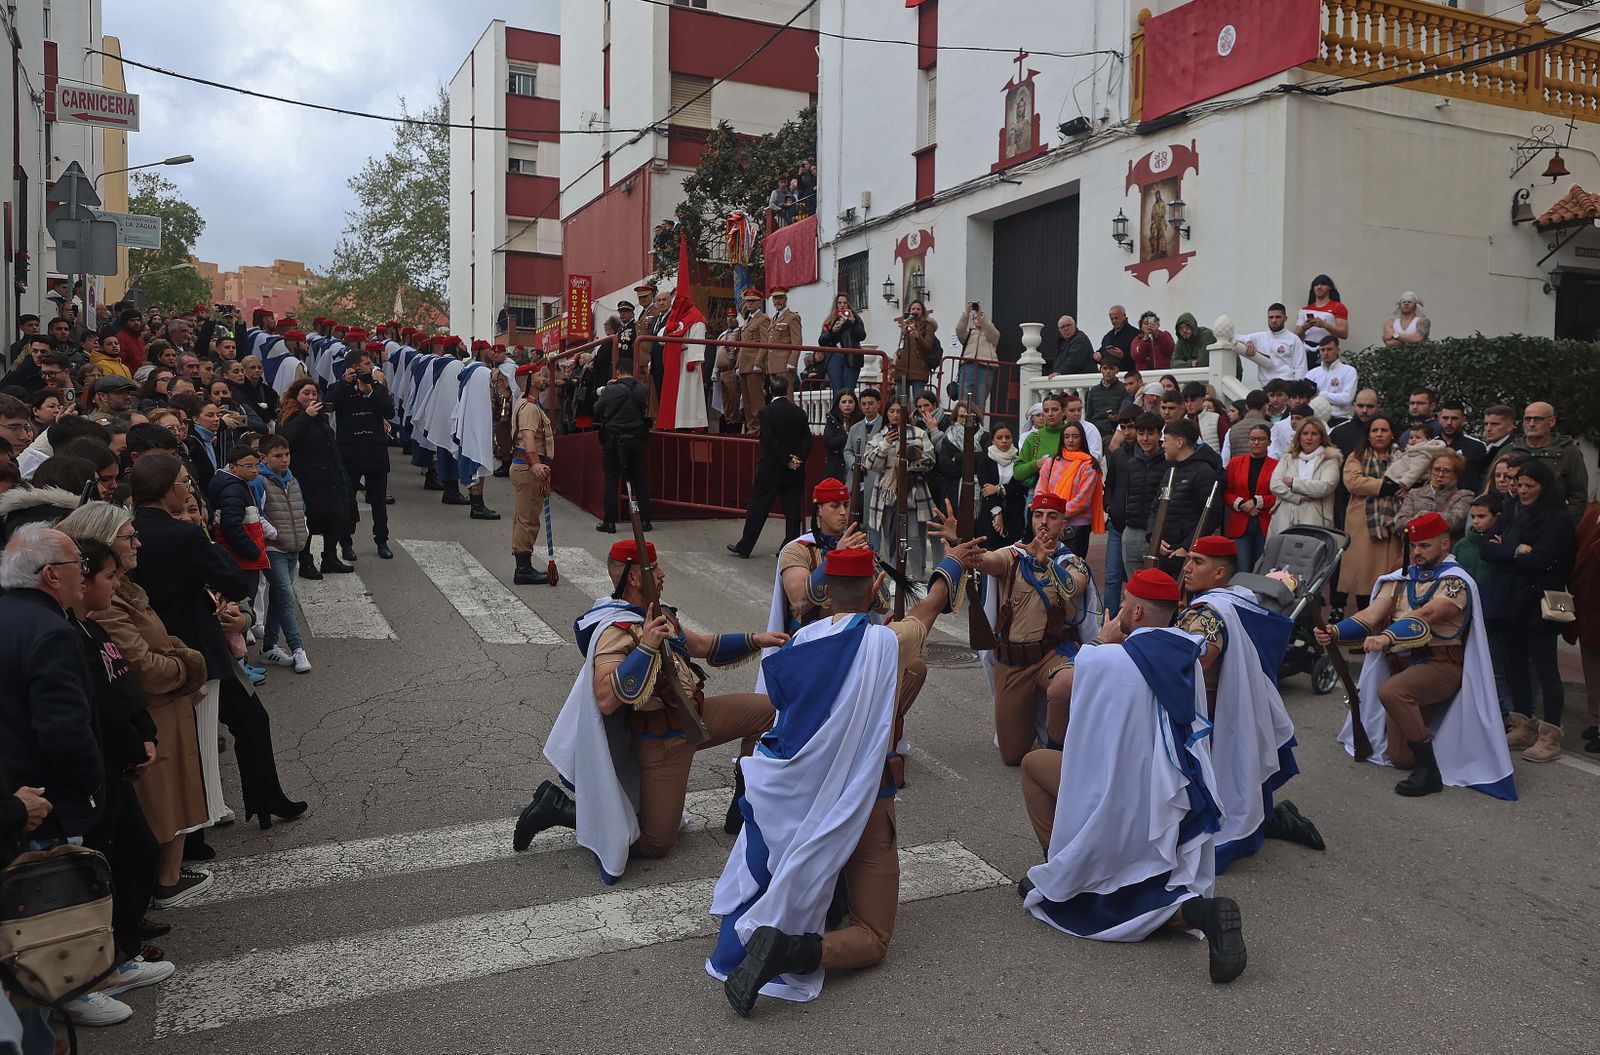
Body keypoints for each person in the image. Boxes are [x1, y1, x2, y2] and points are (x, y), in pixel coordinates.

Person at [709, 540, 979, 1015]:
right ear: (876, 586)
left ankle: (789, 918)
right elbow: (931, 605)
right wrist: (952, 563)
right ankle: (792, 949)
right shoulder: (889, 642)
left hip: (799, 797)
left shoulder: (797, 644)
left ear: (827, 592)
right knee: (875, 936)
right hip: (866, 799)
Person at [1016, 568, 1245, 983]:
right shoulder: (1187, 651)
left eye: (1122, 604)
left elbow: (1060, 700)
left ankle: (1064, 874)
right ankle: (1200, 911)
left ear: (1136, 610)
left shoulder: (1106, 657)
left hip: (1118, 796)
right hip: (1172, 799)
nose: (1118, 610)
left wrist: (1101, 640)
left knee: (1034, 766)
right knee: (1146, 882)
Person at [514, 538, 786, 874]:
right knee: (657, 844)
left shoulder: (657, 613)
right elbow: (605, 695)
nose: (662, 574)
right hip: (661, 743)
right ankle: (558, 808)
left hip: (694, 718)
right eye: (654, 568)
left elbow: (702, 645)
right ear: (633, 576)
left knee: (771, 712)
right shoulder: (615, 628)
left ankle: (745, 806)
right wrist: (646, 647)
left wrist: (757, 639)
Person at [129, 455, 307, 832]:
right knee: (225, 728)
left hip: (154, 643)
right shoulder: (183, 534)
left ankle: (261, 800)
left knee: (237, 722)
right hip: (195, 646)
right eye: (183, 482)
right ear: (166, 488)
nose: (189, 488)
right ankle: (210, 817)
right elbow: (236, 580)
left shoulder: (131, 529)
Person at [59, 502, 212, 926]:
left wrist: (180, 656)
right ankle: (145, 897)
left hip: (164, 711)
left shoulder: (125, 588)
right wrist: (190, 665)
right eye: (129, 537)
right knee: (151, 811)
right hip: (151, 715)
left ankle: (161, 882)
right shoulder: (105, 602)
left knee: (166, 805)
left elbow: (159, 643)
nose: (138, 542)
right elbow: (142, 666)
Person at [1322, 512, 1516, 798]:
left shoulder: (1456, 582)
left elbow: (1428, 614)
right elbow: (1372, 613)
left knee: (1392, 691)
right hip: (1407, 666)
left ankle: (1430, 772)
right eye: (1413, 546)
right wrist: (1336, 632)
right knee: (1400, 757)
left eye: (1425, 545)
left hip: (1442, 666)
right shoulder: (1401, 580)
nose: (1417, 552)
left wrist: (1387, 637)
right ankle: (1439, 748)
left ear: (1445, 544)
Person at [1177, 536, 1320, 868]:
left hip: (1213, 712)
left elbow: (1191, 665)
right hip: (1246, 705)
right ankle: (1270, 816)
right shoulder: (1239, 599)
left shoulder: (1210, 612)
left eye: (1198, 562)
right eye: (1189, 559)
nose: (1187, 566)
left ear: (1220, 573)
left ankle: (1262, 820)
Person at [931, 491, 1096, 765]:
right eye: (1039, 515)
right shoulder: (1014, 554)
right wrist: (958, 542)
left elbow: (1072, 586)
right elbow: (985, 561)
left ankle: (1056, 755)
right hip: (1014, 662)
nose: (1044, 522)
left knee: (1065, 685)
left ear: (1064, 525)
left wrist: (1046, 562)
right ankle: (1033, 729)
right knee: (1012, 755)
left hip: (1052, 655)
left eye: (1052, 517)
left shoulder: (1071, 561)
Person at [1482, 460, 1576, 763]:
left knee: (1547, 669)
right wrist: (1515, 549)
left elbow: (1542, 561)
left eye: (1529, 485)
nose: (1521, 490)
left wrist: (1506, 550)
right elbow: (1487, 548)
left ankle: (1550, 735)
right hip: (1508, 600)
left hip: (1539, 603)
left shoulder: (1558, 519)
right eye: (1518, 484)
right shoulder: (1510, 509)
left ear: (1543, 486)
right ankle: (1522, 724)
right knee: (1514, 665)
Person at [729, 375, 813, 558]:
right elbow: (807, 438)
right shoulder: (799, 412)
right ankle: (790, 549)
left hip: (771, 470)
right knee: (792, 512)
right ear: (787, 390)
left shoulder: (767, 412)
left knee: (758, 508)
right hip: (795, 471)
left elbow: (770, 441)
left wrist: (786, 459)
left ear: (768, 391)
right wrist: (798, 458)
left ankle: (745, 546)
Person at [277, 378, 354, 577]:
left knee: (335, 517)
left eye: (314, 394)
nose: (311, 397)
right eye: (306, 393)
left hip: (328, 475)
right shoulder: (291, 416)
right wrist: (306, 416)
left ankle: (330, 557)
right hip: (306, 477)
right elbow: (287, 439)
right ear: (296, 396)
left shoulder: (321, 416)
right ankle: (306, 562)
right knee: (309, 521)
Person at [327, 346, 395, 560]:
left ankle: (382, 540)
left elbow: (389, 411)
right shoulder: (340, 387)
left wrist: (371, 392)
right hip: (349, 450)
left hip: (374, 449)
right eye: (366, 364)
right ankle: (346, 543)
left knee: (378, 500)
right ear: (353, 367)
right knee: (347, 499)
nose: (370, 367)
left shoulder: (375, 386)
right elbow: (329, 404)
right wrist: (344, 383)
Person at [255, 436, 312, 672]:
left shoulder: (293, 480)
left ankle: (268, 648)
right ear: (264, 458)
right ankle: (298, 649)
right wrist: (274, 533)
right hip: (274, 549)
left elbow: (301, 509)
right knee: (286, 597)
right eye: (278, 456)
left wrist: (304, 530)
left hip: (293, 548)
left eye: (286, 454)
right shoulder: (260, 482)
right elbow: (256, 514)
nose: (284, 460)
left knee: (280, 599)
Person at [1339, 414, 1406, 607]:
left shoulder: (1403, 457)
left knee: (1389, 576)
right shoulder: (1357, 455)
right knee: (1364, 579)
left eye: (1384, 430)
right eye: (1374, 430)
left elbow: (1412, 479)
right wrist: (1386, 487)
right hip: (1364, 524)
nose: (1379, 434)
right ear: (1368, 435)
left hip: (1393, 522)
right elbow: (1353, 482)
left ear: (1392, 434)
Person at [864, 398, 935, 579]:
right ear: (886, 413)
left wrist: (906, 463)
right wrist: (886, 444)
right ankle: (895, 576)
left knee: (913, 537)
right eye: (891, 411)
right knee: (890, 536)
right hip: (886, 492)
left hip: (912, 490)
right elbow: (870, 463)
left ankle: (917, 577)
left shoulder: (919, 433)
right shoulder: (879, 436)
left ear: (906, 414)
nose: (895, 415)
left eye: (899, 411)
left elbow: (930, 460)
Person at [1105, 411, 1165, 604]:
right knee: (1134, 587)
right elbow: (1114, 486)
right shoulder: (1131, 462)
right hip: (1130, 531)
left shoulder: (1169, 463)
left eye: (1150, 433)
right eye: (1141, 434)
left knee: (1156, 590)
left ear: (1159, 434)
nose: (1145, 439)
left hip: (1156, 535)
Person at [1493, 401, 1588, 523]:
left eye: (1537, 419)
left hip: (1552, 524)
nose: (1531, 424)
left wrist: (1566, 525)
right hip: (1512, 523)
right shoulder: (1508, 451)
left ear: (1552, 421)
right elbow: (1493, 488)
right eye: (1527, 419)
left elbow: (1578, 496)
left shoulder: (1568, 453)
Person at [1149, 418, 1221, 577]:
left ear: (1180, 442)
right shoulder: (1170, 472)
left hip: (1186, 555)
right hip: (1164, 551)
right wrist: (1155, 536)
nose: (1162, 445)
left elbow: (1211, 515)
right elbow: (1156, 507)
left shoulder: (1204, 473)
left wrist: (1188, 547)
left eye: (1166, 440)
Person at [594, 370, 652, 534]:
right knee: (639, 480)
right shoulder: (643, 389)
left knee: (612, 480)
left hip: (613, 440)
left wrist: (607, 389)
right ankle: (646, 521)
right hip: (635, 440)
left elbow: (597, 410)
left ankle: (609, 522)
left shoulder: (610, 390)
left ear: (618, 372)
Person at [1034, 421, 1102, 559]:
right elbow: (1040, 492)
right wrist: (1050, 517)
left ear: (1082, 438)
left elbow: (1082, 500)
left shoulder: (1089, 465)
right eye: (1067, 436)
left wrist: (1056, 515)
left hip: (1076, 529)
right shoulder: (1051, 462)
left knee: (1071, 572)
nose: (1070, 440)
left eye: (1075, 436)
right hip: (1049, 526)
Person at [1268, 416, 1340, 532]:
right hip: (1283, 520)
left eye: (1314, 434)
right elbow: (1274, 485)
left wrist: (1293, 483)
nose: (1309, 438)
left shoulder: (1330, 460)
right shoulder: (1287, 457)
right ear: (1299, 436)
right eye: (1305, 433)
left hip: (1315, 520)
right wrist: (1299, 497)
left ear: (1321, 437)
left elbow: (1325, 487)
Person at [1223, 424, 1277, 573]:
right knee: (1242, 567)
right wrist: (1241, 504)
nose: (1256, 443)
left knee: (1262, 568)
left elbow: (1279, 495)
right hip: (1240, 522)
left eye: (1261, 439)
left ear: (1269, 442)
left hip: (1264, 522)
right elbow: (1226, 491)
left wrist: (1257, 502)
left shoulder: (1276, 466)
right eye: (1253, 439)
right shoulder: (1235, 463)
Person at [1396, 450, 1475, 537]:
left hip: (1445, 548)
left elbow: (1455, 521)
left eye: (1447, 471)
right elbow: (1400, 524)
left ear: (1456, 474)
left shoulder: (1464, 496)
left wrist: (1423, 517)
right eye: (1437, 469)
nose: (1440, 475)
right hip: (1414, 548)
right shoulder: (1414, 493)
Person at [735, 288, 772, 436]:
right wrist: (738, 364)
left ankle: (759, 427)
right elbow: (742, 345)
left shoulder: (763, 319)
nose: (749, 304)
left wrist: (758, 363)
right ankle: (751, 426)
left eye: (752, 301)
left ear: (759, 302)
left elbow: (764, 343)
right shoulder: (747, 320)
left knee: (756, 399)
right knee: (747, 400)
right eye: (748, 301)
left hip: (754, 365)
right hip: (744, 364)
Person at [1238, 304, 1308, 384]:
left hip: (1287, 386)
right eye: (1271, 317)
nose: (1274, 320)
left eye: (1278, 317)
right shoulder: (1260, 337)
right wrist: (1248, 341)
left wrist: (1296, 390)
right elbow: (1234, 337)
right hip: (1266, 387)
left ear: (1285, 319)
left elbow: (1301, 368)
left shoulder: (1294, 339)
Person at [1294, 274, 1349, 372]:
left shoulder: (1338, 307)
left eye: (1323, 284)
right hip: (1306, 352)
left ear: (1329, 287)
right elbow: (1296, 335)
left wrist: (1324, 325)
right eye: (1316, 285)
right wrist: (1304, 327)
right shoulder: (1304, 310)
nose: (1319, 287)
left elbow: (1344, 333)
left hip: (1327, 349)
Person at [817, 294, 866, 397]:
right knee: (837, 390)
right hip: (835, 355)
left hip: (851, 356)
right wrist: (832, 331)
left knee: (849, 390)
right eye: (840, 303)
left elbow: (862, 336)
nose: (842, 305)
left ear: (849, 304)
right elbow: (821, 341)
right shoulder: (830, 320)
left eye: (845, 303)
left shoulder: (855, 317)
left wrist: (853, 322)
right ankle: (837, 412)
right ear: (836, 304)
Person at [955, 303, 1001, 413]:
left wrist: (980, 314)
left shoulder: (991, 335)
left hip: (985, 367)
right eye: (975, 318)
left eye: (980, 317)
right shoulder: (969, 334)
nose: (978, 320)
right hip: (968, 366)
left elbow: (992, 331)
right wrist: (966, 313)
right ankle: (963, 421)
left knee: (981, 397)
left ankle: (978, 423)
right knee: (965, 396)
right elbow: (959, 330)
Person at [890, 300, 938, 406]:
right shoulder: (905, 326)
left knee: (918, 400)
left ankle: (919, 421)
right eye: (913, 309)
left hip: (918, 368)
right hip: (902, 369)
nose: (915, 311)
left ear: (922, 312)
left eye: (918, 309)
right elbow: (901, 344)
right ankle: (902, 421)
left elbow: (928, 346)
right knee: (900, 401)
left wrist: (918, 335)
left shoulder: (928, 326)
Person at [985, 423, 1024, 546]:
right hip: (990, 511)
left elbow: (1021, 486)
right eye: (999, 437)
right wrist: (997, 513)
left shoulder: (1019, 459)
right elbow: (986, 490)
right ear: (993, 440)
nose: (1004, 441)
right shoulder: (985, 460)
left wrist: (998, 489)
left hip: (1015, 512)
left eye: (1008, 437)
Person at [1306, 335, 1357, 422]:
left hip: (1340, 418)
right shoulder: (1311, 374)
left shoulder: (1349, 371)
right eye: (1322, 350)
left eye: (1329, 349)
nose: (1325, 353)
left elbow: (1347, 398)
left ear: (1337, 350)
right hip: (1315, 420)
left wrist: (1322, 395)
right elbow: (1307, 399)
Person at [821, 390, 859, 482]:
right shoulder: (832, 419)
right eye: (843, 402)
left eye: (850, 402)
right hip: (836, 465)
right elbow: (829, 442)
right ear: (838, 404)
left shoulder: (860, 419)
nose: (847, 405)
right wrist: (849, 438)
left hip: (855, 463)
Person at [1099, 305, 1137, 370]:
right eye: (1112, 319)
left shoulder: (1135, 334)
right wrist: (1098, 354)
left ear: (1124, 316)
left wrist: (1123, 356)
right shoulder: (1108, 336)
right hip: (1109, 373)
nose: (1114, 321)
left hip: (1127, 373)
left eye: (1116, 318)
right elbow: (1103, 351)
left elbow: (1138, 358)